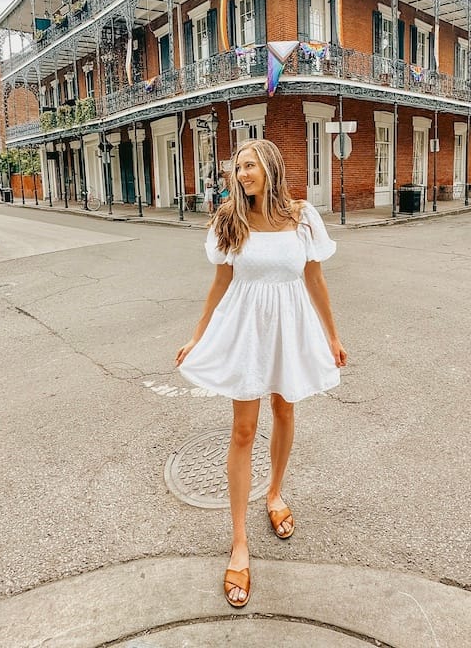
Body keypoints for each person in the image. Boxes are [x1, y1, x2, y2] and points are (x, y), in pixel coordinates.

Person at [175, 139, 347, 610]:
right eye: (237, 168)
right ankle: (238, 542)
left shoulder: (302, 217)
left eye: (248, 165)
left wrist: (331, 335)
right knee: (244, 429)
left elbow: (315, 277)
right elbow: (220, 283)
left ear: (269, 166)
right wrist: (197, 336)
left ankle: (274, 494)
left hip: (290, 325)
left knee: (285, 408)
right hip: (247, 328)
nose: (240, 174)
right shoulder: (230, 218)